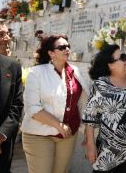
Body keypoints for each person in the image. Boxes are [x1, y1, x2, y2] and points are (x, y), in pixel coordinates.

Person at [21, 34, 89, 173]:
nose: (67, 49)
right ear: (51, 53)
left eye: (68, 46)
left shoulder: (75, 71)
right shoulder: (36, 73)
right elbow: (32, 107)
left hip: (68, 134)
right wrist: (58, 125)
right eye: (62, 47)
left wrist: (87, 130)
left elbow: (82, 102)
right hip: (39, 134)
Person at [82, 44, 126, 173]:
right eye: (122, 57)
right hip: (109, 150)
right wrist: (90, 145)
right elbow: (90, 117)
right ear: (111, 65)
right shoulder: (100, 84)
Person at [0, 18, 24, 173]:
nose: (7, 38)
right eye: (1, 34)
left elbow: (16, 106)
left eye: (7, 33)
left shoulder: (12, 66)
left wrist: (0, 136)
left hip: (2, 144)